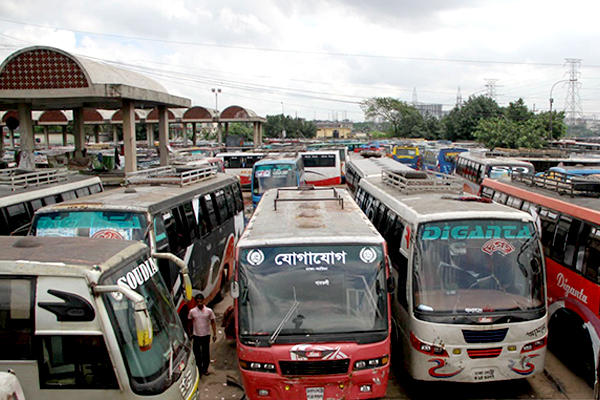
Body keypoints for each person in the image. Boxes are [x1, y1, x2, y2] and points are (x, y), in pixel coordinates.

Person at [188, 294, 217, 376]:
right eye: (197, 302)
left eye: (201, 302)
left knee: (205, 353)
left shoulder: (209, 311)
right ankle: (199, 369)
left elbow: (213, 322)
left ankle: (205, 369)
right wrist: (190, 333)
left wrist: (214, 334)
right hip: (196, 335)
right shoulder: (192, 312)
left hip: (206, 335)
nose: (199, 304)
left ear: (203, 301)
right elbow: (189, 322)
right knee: (197, 353)